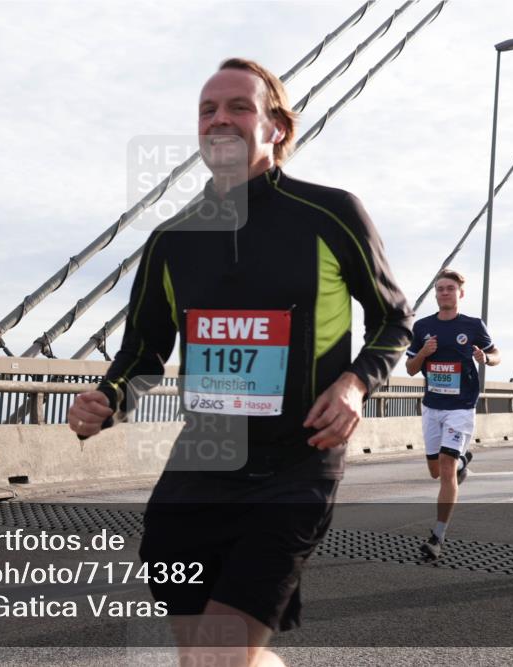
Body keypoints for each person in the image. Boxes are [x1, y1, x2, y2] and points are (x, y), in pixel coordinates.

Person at [68, 57, 412, 667]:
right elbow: (144, 349)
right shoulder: (171, 241)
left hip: (295, 463)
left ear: (276, 127)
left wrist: (357, 383)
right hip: (201, 467)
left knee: (218, 656)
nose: (219, 120)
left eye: (238, 107)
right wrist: (109, 397)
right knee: (205, 655)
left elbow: (394, 320)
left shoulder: (332, 215)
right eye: (207, 110)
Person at [405, 268, 500, 559]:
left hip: (461, 406)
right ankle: (462, 463)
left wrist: (486, 358)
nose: (444, 293)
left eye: (449, 288)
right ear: (436, 294)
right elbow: (410, 369)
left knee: (445, 467)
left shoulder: (472, 325)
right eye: (440, 289)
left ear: (460, 293)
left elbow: (496, 354)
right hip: (432, 406)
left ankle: (437, 537)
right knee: (437, 472)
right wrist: (424, 353)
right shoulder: (422, 327)